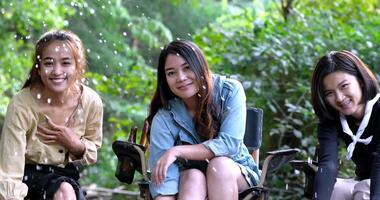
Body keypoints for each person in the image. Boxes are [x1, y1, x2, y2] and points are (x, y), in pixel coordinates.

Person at [146, 39, 260, 200]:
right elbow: (164, 184)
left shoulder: (229, 91)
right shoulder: (164, 117)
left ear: (200, 66)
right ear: (165, 79)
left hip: (236, 174)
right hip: (190, 184)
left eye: (187, 68)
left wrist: (176, 151)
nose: (181, 77)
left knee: (218, 166)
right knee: (193, 176)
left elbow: (228, 145)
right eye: (171, 73)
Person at [0, 29, 103, 200]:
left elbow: (91, 151)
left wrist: (74, 144)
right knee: (64, 191)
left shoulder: (91, 101)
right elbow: (10, 169)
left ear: (78, 67)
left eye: (65, 63)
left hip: (67, 175)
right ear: (38, 69)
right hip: (26, 175)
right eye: (48, 63)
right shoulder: (21, 104)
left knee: (65, 189)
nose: (57, 71)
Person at [311, 50, 380, 200]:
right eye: (329, 93)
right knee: (334, 191)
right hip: (363, 182)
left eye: (344, 86)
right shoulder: (332, 120)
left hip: (373, 185)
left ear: (361, 81)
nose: (339, 98)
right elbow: (328, 165)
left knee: (364, 191)